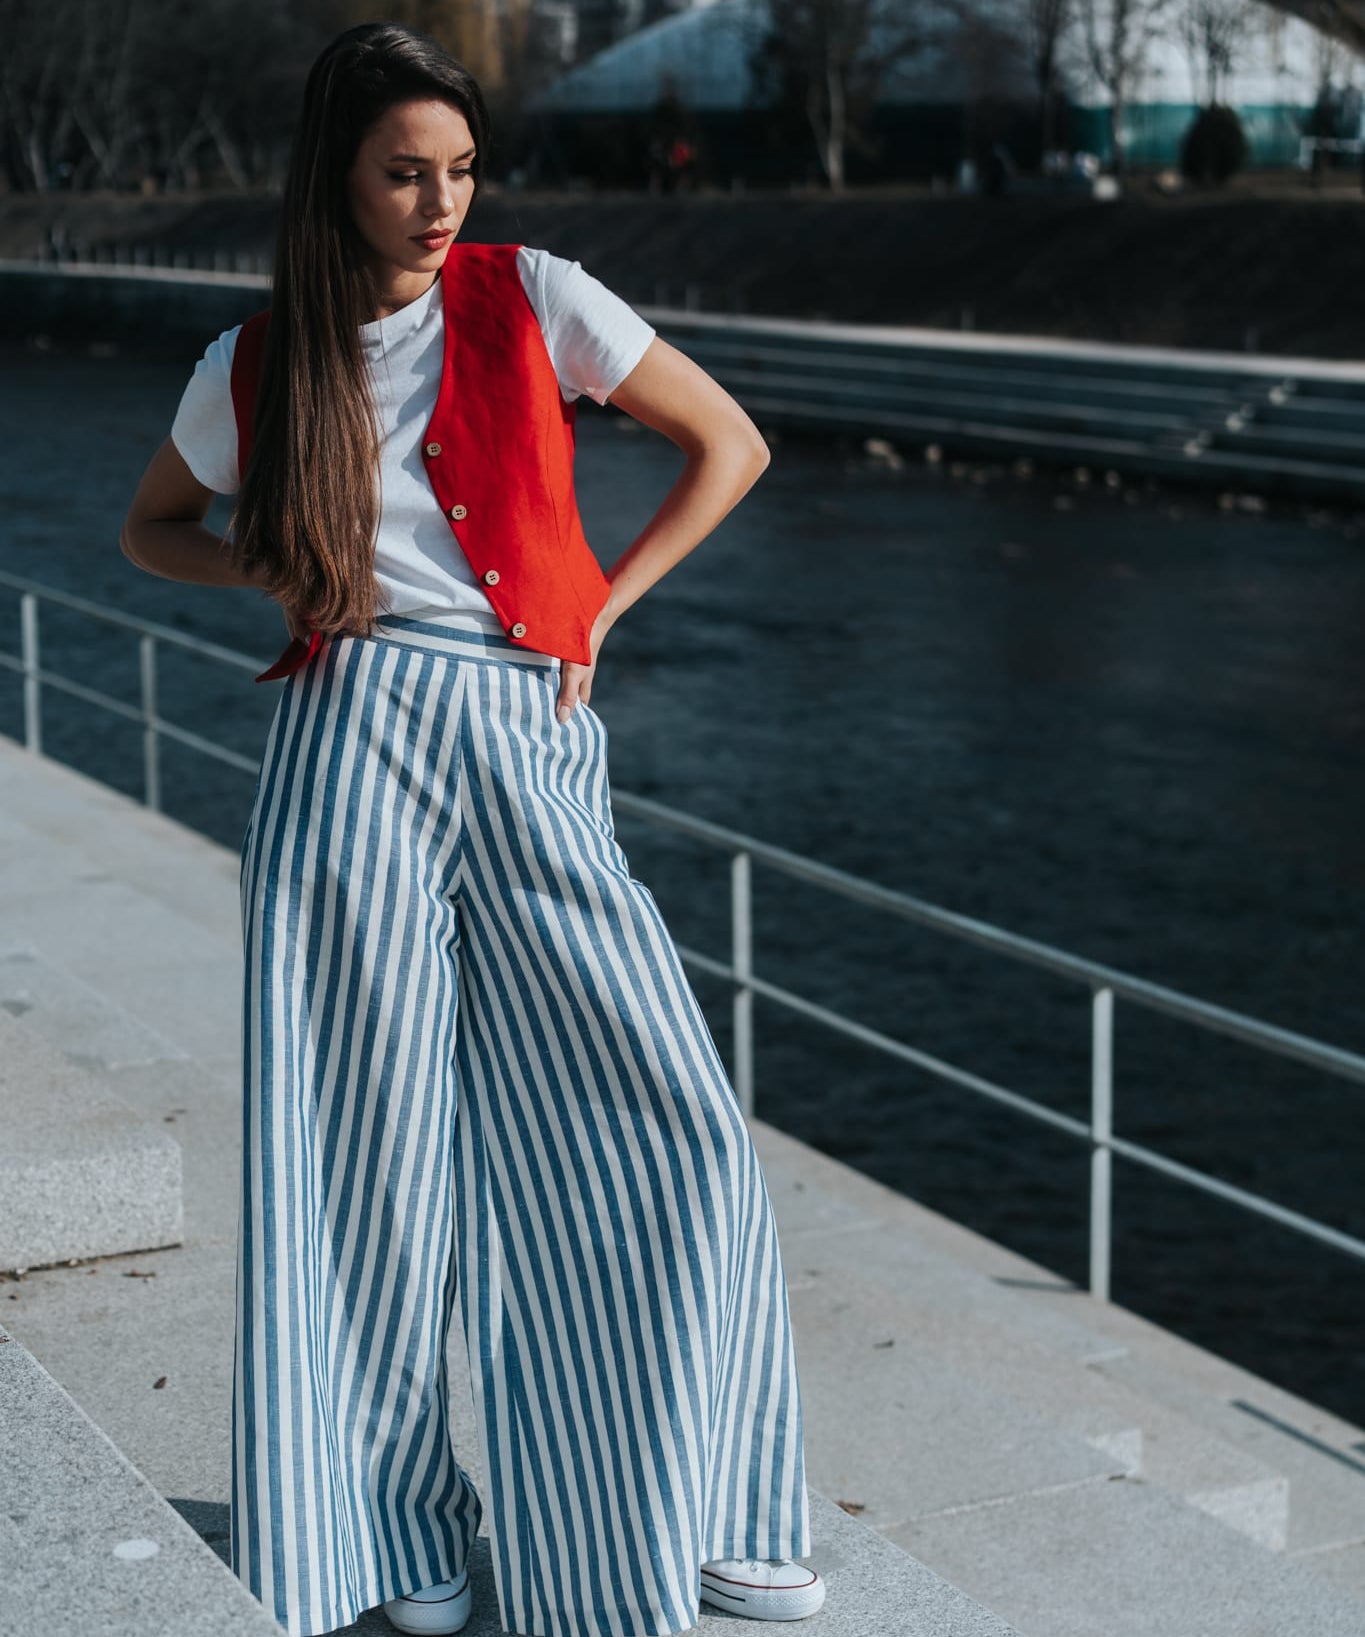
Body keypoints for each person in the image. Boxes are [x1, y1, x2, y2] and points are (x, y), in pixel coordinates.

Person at [119, 21, 823, 1637]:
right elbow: (155, 531)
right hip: (343, 738)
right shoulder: (252, 361)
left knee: (675, 1129)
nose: (440, 202)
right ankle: (392, 1535)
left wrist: (601, 609)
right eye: (403, 173)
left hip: (525, 732)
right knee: (358, 1171)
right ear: (337, 179)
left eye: (459, 170)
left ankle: (706, 1503)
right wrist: (280, 571)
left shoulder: (537, 298)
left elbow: (731, 445)